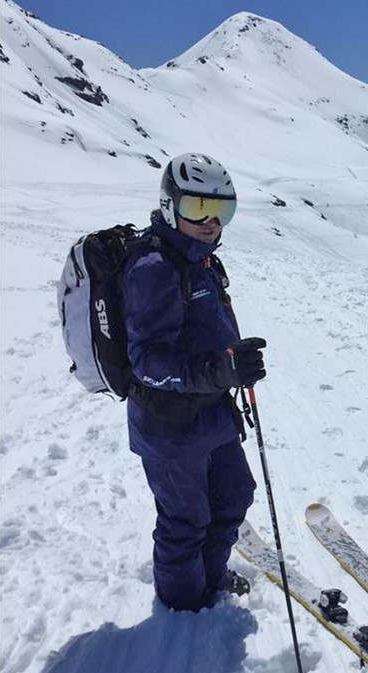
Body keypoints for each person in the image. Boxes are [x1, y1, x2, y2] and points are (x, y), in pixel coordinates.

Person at [122, 153, 267, 612]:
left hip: (210, 412)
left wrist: (230, 365)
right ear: (170, 206)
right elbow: (146, 361)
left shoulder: (200, 260)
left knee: (234, 496)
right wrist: (220, 371)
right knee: (185, 521)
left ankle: (210, 579)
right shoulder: (153, 269)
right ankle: (184, 610)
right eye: (197, 209)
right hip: (167, 425)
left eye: (222, 212)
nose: (210, 223)